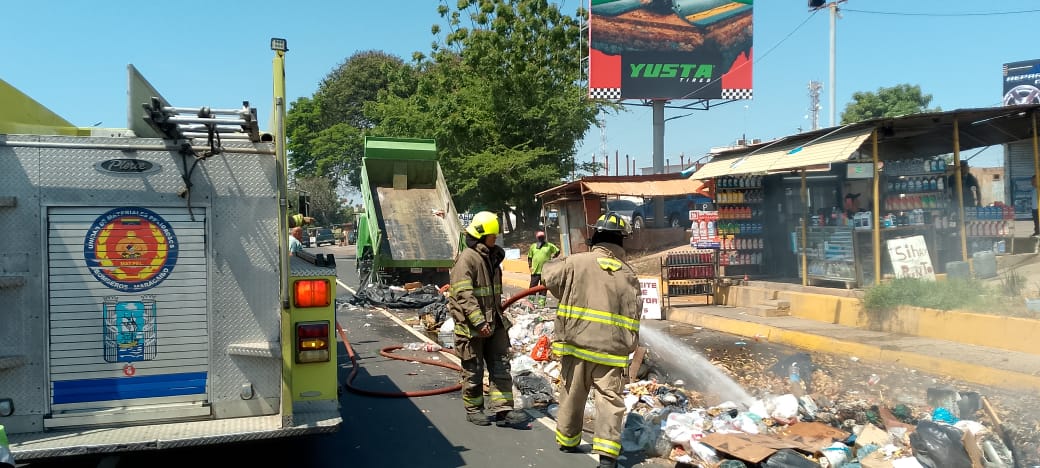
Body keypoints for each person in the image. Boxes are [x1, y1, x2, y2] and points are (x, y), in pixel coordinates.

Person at [540, 212, 641, 468]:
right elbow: (634, 314)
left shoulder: (575, 262)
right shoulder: (628, 275)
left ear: (595, 236)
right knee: (609, 400)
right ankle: (607, 457)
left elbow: (548, 277)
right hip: (611, 352)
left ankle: (568, 440)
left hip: (576, 344)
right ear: (621, 241)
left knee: (572, 393)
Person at [447, 211, 529, 428]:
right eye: (493, 236)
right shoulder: (468, 259)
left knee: (501, 366)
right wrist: (479, 322)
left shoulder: (490, 258)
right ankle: (474, 409)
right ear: (482, 236)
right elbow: (464, 295)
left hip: (494, 322)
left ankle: (503, 411)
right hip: (472, 327)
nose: (495, 239)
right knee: (473, 369)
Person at [527, 230, 560, 305]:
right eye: (539, 237)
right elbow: (529, 257)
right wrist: (530, 266)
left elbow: (557, 251)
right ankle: (530, 303)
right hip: (535, 271)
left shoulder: (549, 245)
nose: (541, 238)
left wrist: (553, 258)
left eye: (542, 237)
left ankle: (541, 303)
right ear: (537, 238)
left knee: (543, 288)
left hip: (545, 271)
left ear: (544, 237)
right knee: (532, 287)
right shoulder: (533, 246)